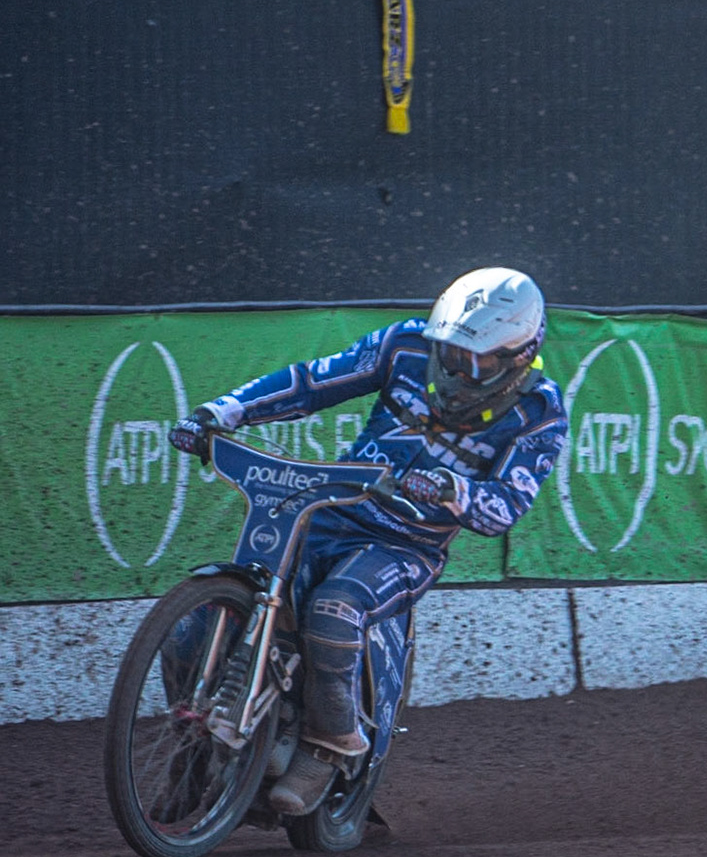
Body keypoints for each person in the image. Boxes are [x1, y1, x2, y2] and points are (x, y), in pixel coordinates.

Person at [169, 267, 568, 815]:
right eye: (450, 353)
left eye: (477, 361)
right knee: (195, 626)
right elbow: (313, 382)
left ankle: (331, 742)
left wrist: (454, 491)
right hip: (329, 511)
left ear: (520, 355)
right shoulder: (403, 343)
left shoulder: (541, 412)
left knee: (333, 610)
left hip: (409, 544)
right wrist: (222, 412)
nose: (457, 369)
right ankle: (192, 752)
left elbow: (505, 508)